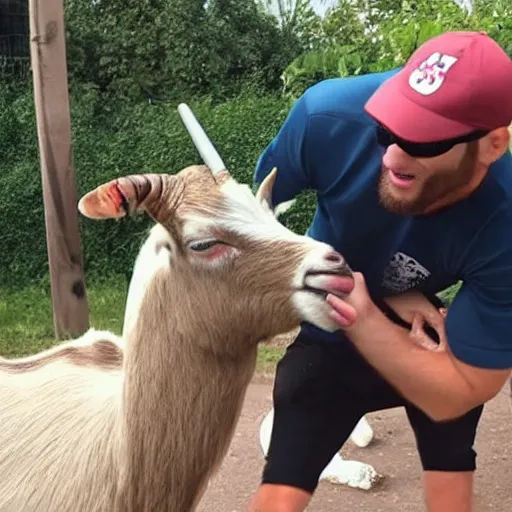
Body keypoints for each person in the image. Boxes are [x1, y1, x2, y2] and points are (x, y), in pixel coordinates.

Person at [247, 31, 512, 512]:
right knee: (282, 486)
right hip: (331, 329)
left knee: (451, 464)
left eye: (423, 141)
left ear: (493, 144)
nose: (390, 157)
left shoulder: (506, 219)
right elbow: (258, 225)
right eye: (389, 128)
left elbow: (466, 388)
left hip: (422, 335)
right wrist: (362, 288)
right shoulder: (326, 116)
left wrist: (374, 311)